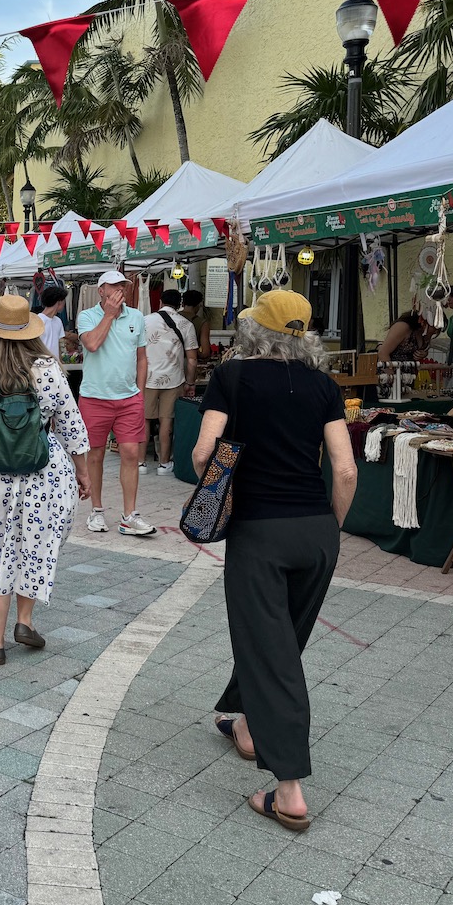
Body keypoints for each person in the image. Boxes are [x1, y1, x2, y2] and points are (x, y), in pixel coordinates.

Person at [193, 289, 357, 832]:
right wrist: (331, 526)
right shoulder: (323, 386)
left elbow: (202, 455)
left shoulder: (233, 378)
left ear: (254, 331)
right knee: (280, 637)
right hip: (316, 531)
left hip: (259, 531)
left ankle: (290, 791)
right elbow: (346, 470)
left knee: (273, 648)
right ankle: (247, 726)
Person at [0, 295, 92, 665]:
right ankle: (24, 621)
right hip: (42, 473)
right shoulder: (50, 369)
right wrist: (83, 472)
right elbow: (72, 425)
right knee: (34, 544)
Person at [76, 270, 155, 535]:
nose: (122, 289)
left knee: (131, 453)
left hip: (129, 398)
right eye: (116, 285)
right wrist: (109, 315)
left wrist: (140, 393)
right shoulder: (87, 316)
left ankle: (129, 515)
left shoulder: (136, 317)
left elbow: (141, 357)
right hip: (94, 398)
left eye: (125, 285)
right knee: (95, 455)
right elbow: (93, 344)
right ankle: (96, 511)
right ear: (102, 291)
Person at [142, 290, 199, 477]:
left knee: (144, 420)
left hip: (147, 378)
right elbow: (192, 359)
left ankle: (140, 464)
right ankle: (164, 464)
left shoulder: (145, 321)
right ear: (180, 303)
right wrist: (190, 382)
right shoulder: (186, 324)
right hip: (173, 379)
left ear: (160, 302)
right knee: (166, 421)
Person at [34, 285, 67, 357]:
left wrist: (60, 364)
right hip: (40, 364)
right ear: (59, 302)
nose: (65, 304)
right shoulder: (37, 321)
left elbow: (58, 346)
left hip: (54, 365)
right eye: (64, 301)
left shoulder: (58, 321)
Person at [181, 290, 211, 359]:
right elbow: (205, 352)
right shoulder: (202, 323)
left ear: (182, 304)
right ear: (199, 305)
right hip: (189, 362)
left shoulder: (173, 318)